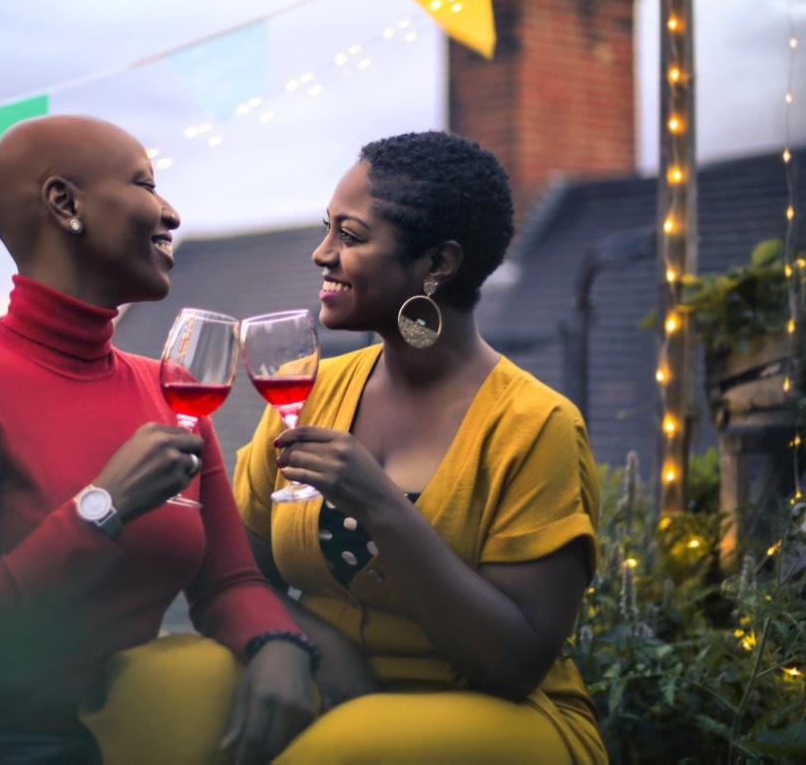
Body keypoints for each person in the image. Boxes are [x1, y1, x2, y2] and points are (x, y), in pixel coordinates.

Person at [0, 115, 316, 764]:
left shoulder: (172, 389)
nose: (172, 213)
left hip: (135, 734)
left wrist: (278, 645)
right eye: (145, 185)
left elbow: (227, 582)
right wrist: (101, 508)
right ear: (64, 203)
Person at [233, 131, 607, 763]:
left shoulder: (536, 426)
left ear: (437, 263)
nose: (322, 253)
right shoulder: (306, 392)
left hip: (497, 715)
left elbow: (515, 664)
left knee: (331, 752)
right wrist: (301, 640)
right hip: (333, 685)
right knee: (163, 685)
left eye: (350, 236)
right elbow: (235, 571)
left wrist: (383, 508)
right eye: (327, 229)